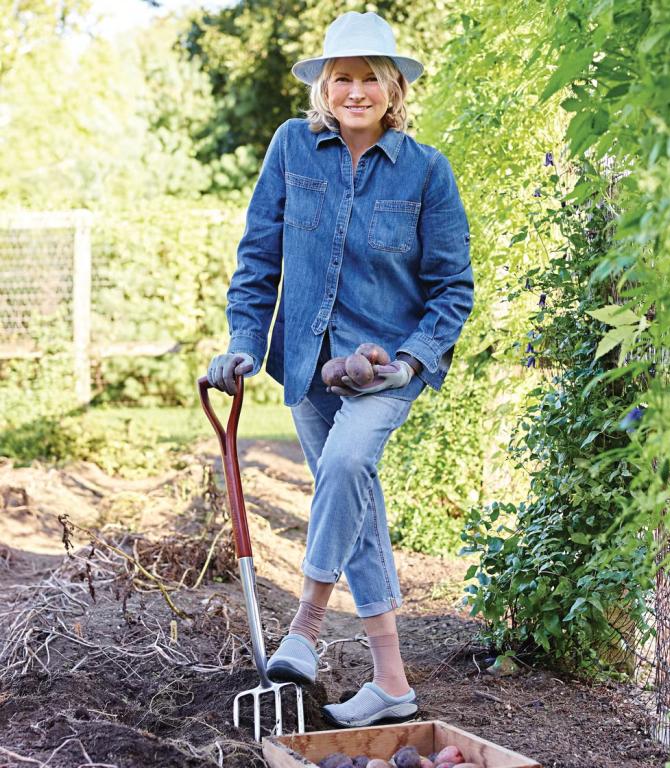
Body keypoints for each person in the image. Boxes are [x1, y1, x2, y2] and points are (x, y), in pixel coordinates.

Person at [206, 10, 473, 728]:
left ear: (394, 89)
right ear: (324, 88)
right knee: (355, 501)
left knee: (349, 464)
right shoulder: (292, 146)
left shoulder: (426, 171)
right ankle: (392, 683)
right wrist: (242, 340)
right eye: (342, 78)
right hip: (306, 362)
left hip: (387, 367)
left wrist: (411, 361)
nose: (356, 91)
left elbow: (453, 287)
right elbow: (258, 257)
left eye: (370, 78)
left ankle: (305, 627)